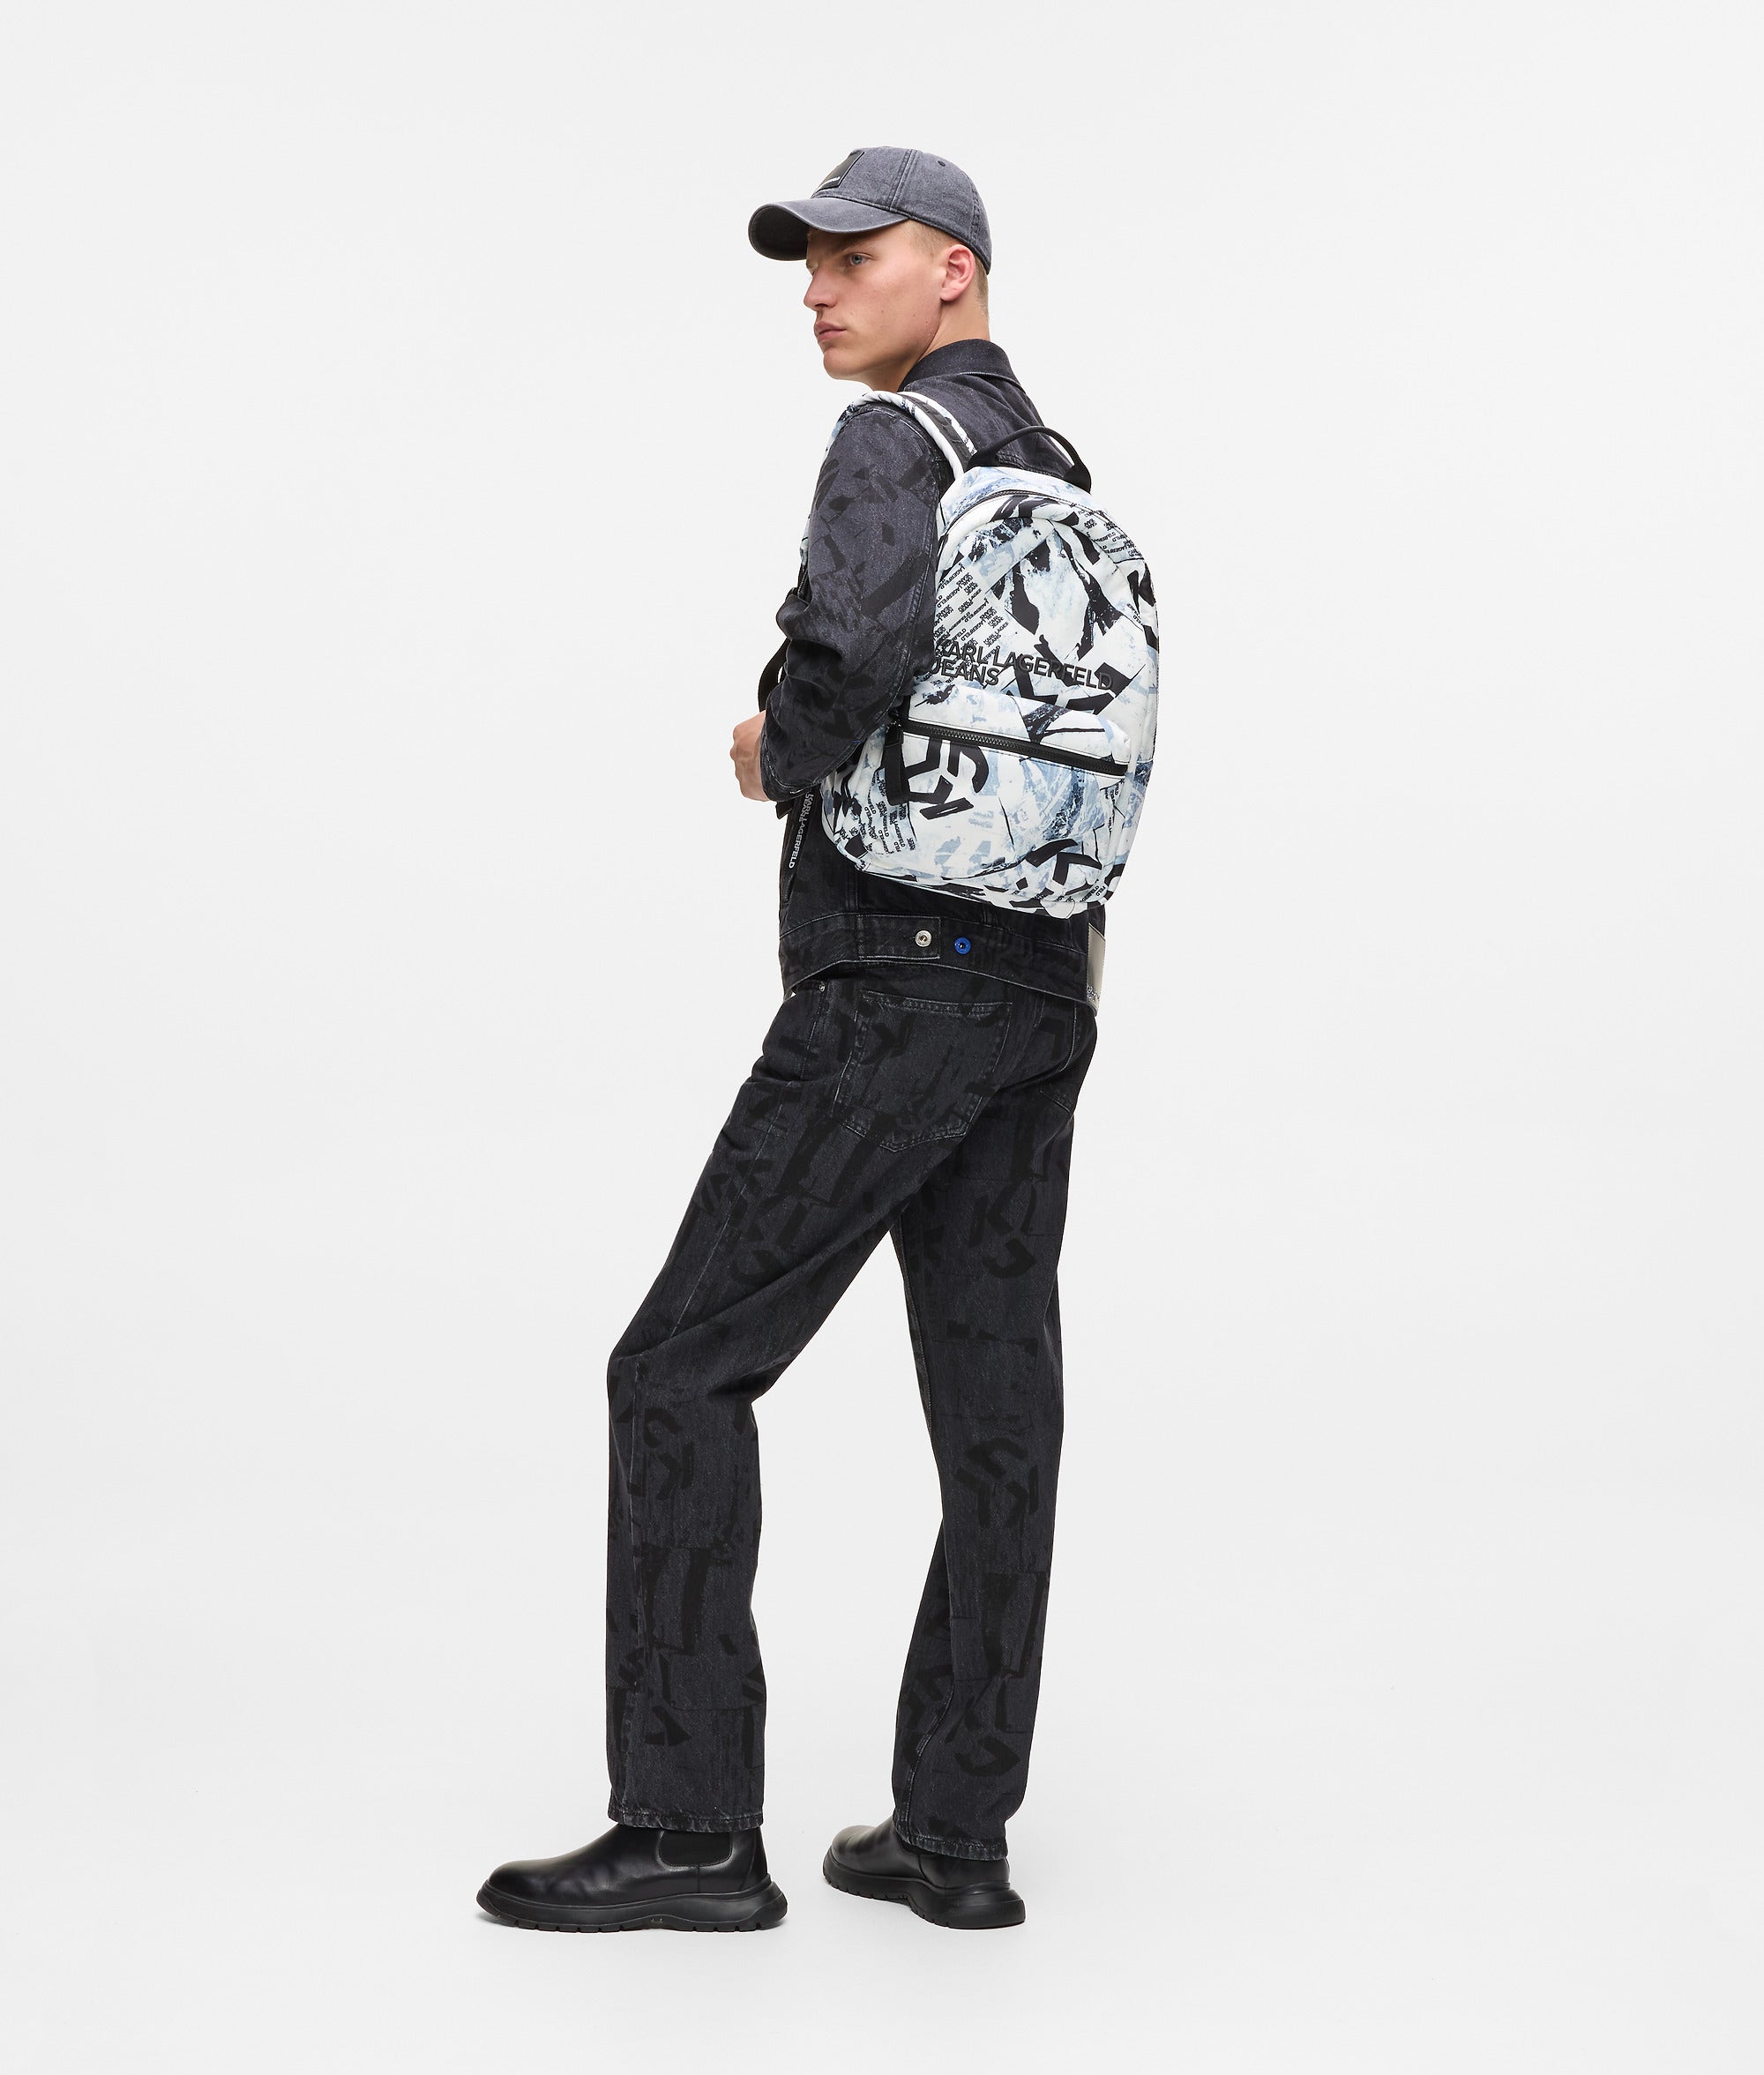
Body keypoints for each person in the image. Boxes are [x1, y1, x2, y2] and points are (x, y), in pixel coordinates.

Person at [478, 146, 1108, 1935]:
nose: (818, 289)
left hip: (893, 985)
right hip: (1043, 989)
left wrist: (780, 744)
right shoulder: (1056, 473)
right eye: (806, 263)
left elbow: (846, 648)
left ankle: (687, 1829)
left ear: (954, 269)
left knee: (678, 1369)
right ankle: (956, 1837)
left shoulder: (893, 443)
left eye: (855, 255)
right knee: (998, 1419)